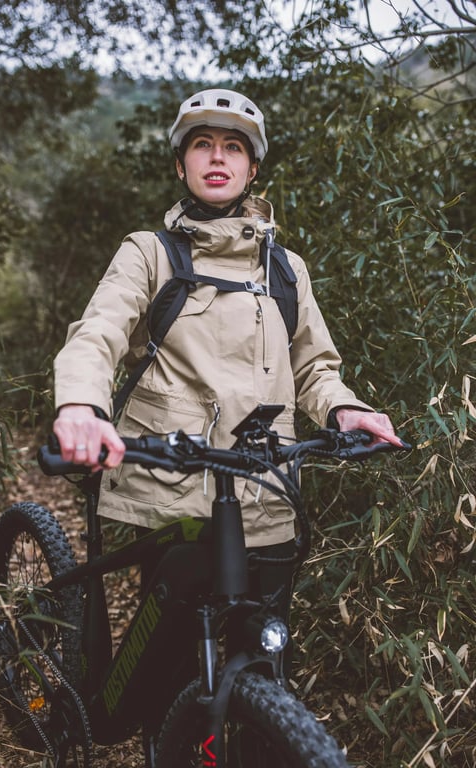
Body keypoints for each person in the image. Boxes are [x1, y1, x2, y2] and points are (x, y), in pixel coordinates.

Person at [53, 86, 401, 652]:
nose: (218, 158)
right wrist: (80, 404)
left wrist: (345, 408)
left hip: (268, 489)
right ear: (180, 162)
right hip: (172, 488)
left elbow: (314, 366)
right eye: (203, 144)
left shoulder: (287, 269)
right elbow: (98, 334)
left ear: (253, 167)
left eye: (234, 147)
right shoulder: (150, 252)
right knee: (168, 658)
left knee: (262, 653)